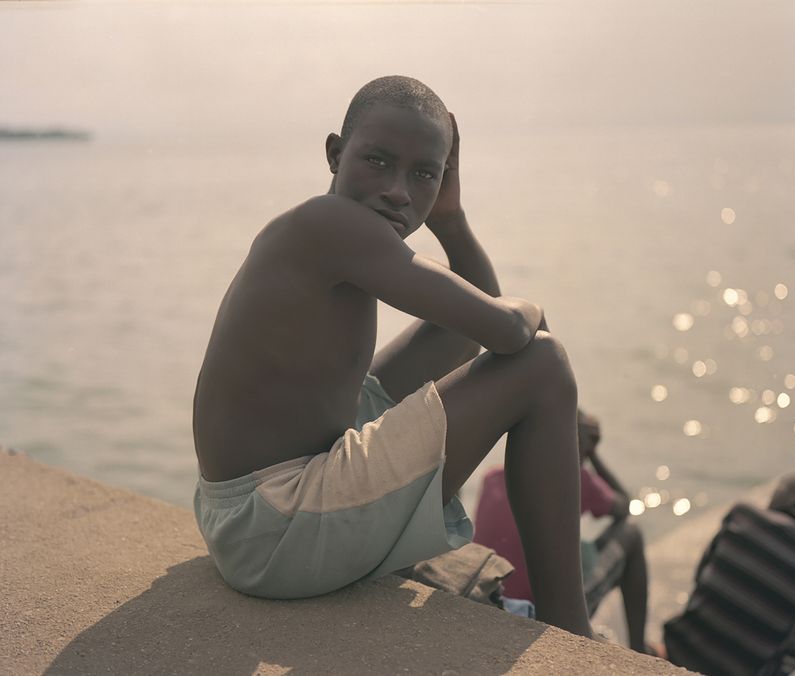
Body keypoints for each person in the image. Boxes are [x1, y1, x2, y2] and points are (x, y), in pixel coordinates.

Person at [192, 75, 592, 637]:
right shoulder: (331, 224)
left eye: (424, 174)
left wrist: (450, 218)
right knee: (543, 365)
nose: (400, 190)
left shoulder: (331, 229)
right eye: (377, 162)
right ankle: (572, 630)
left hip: (247, 512)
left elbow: (471, 328)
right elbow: (504, 327)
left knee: (454, 339)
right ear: (335, 153)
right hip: (274, 527)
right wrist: (529, 308)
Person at [473, 410, 651, 651]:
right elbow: (625, 507)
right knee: (632, 534)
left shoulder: (493, 476)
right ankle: (640, 650)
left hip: (486, 595)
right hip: (541, 611)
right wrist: (593, 456)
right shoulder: (577, 479)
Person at [663, 470, 795, 675]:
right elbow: (792, 652)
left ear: (791, 498)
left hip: (681, 649)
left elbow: (701, 578)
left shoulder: (742, 516)